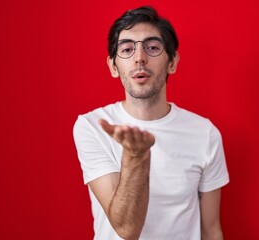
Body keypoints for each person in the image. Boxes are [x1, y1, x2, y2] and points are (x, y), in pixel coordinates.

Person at [73, 6, 229, 240]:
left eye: (152, 47)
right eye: (127, 49)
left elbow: (211, 230)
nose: (139, 58)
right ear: (113, 66)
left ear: (172, 62)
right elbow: (127, 229)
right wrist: (136, 158)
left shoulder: (205, 133)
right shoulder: (92, 126)